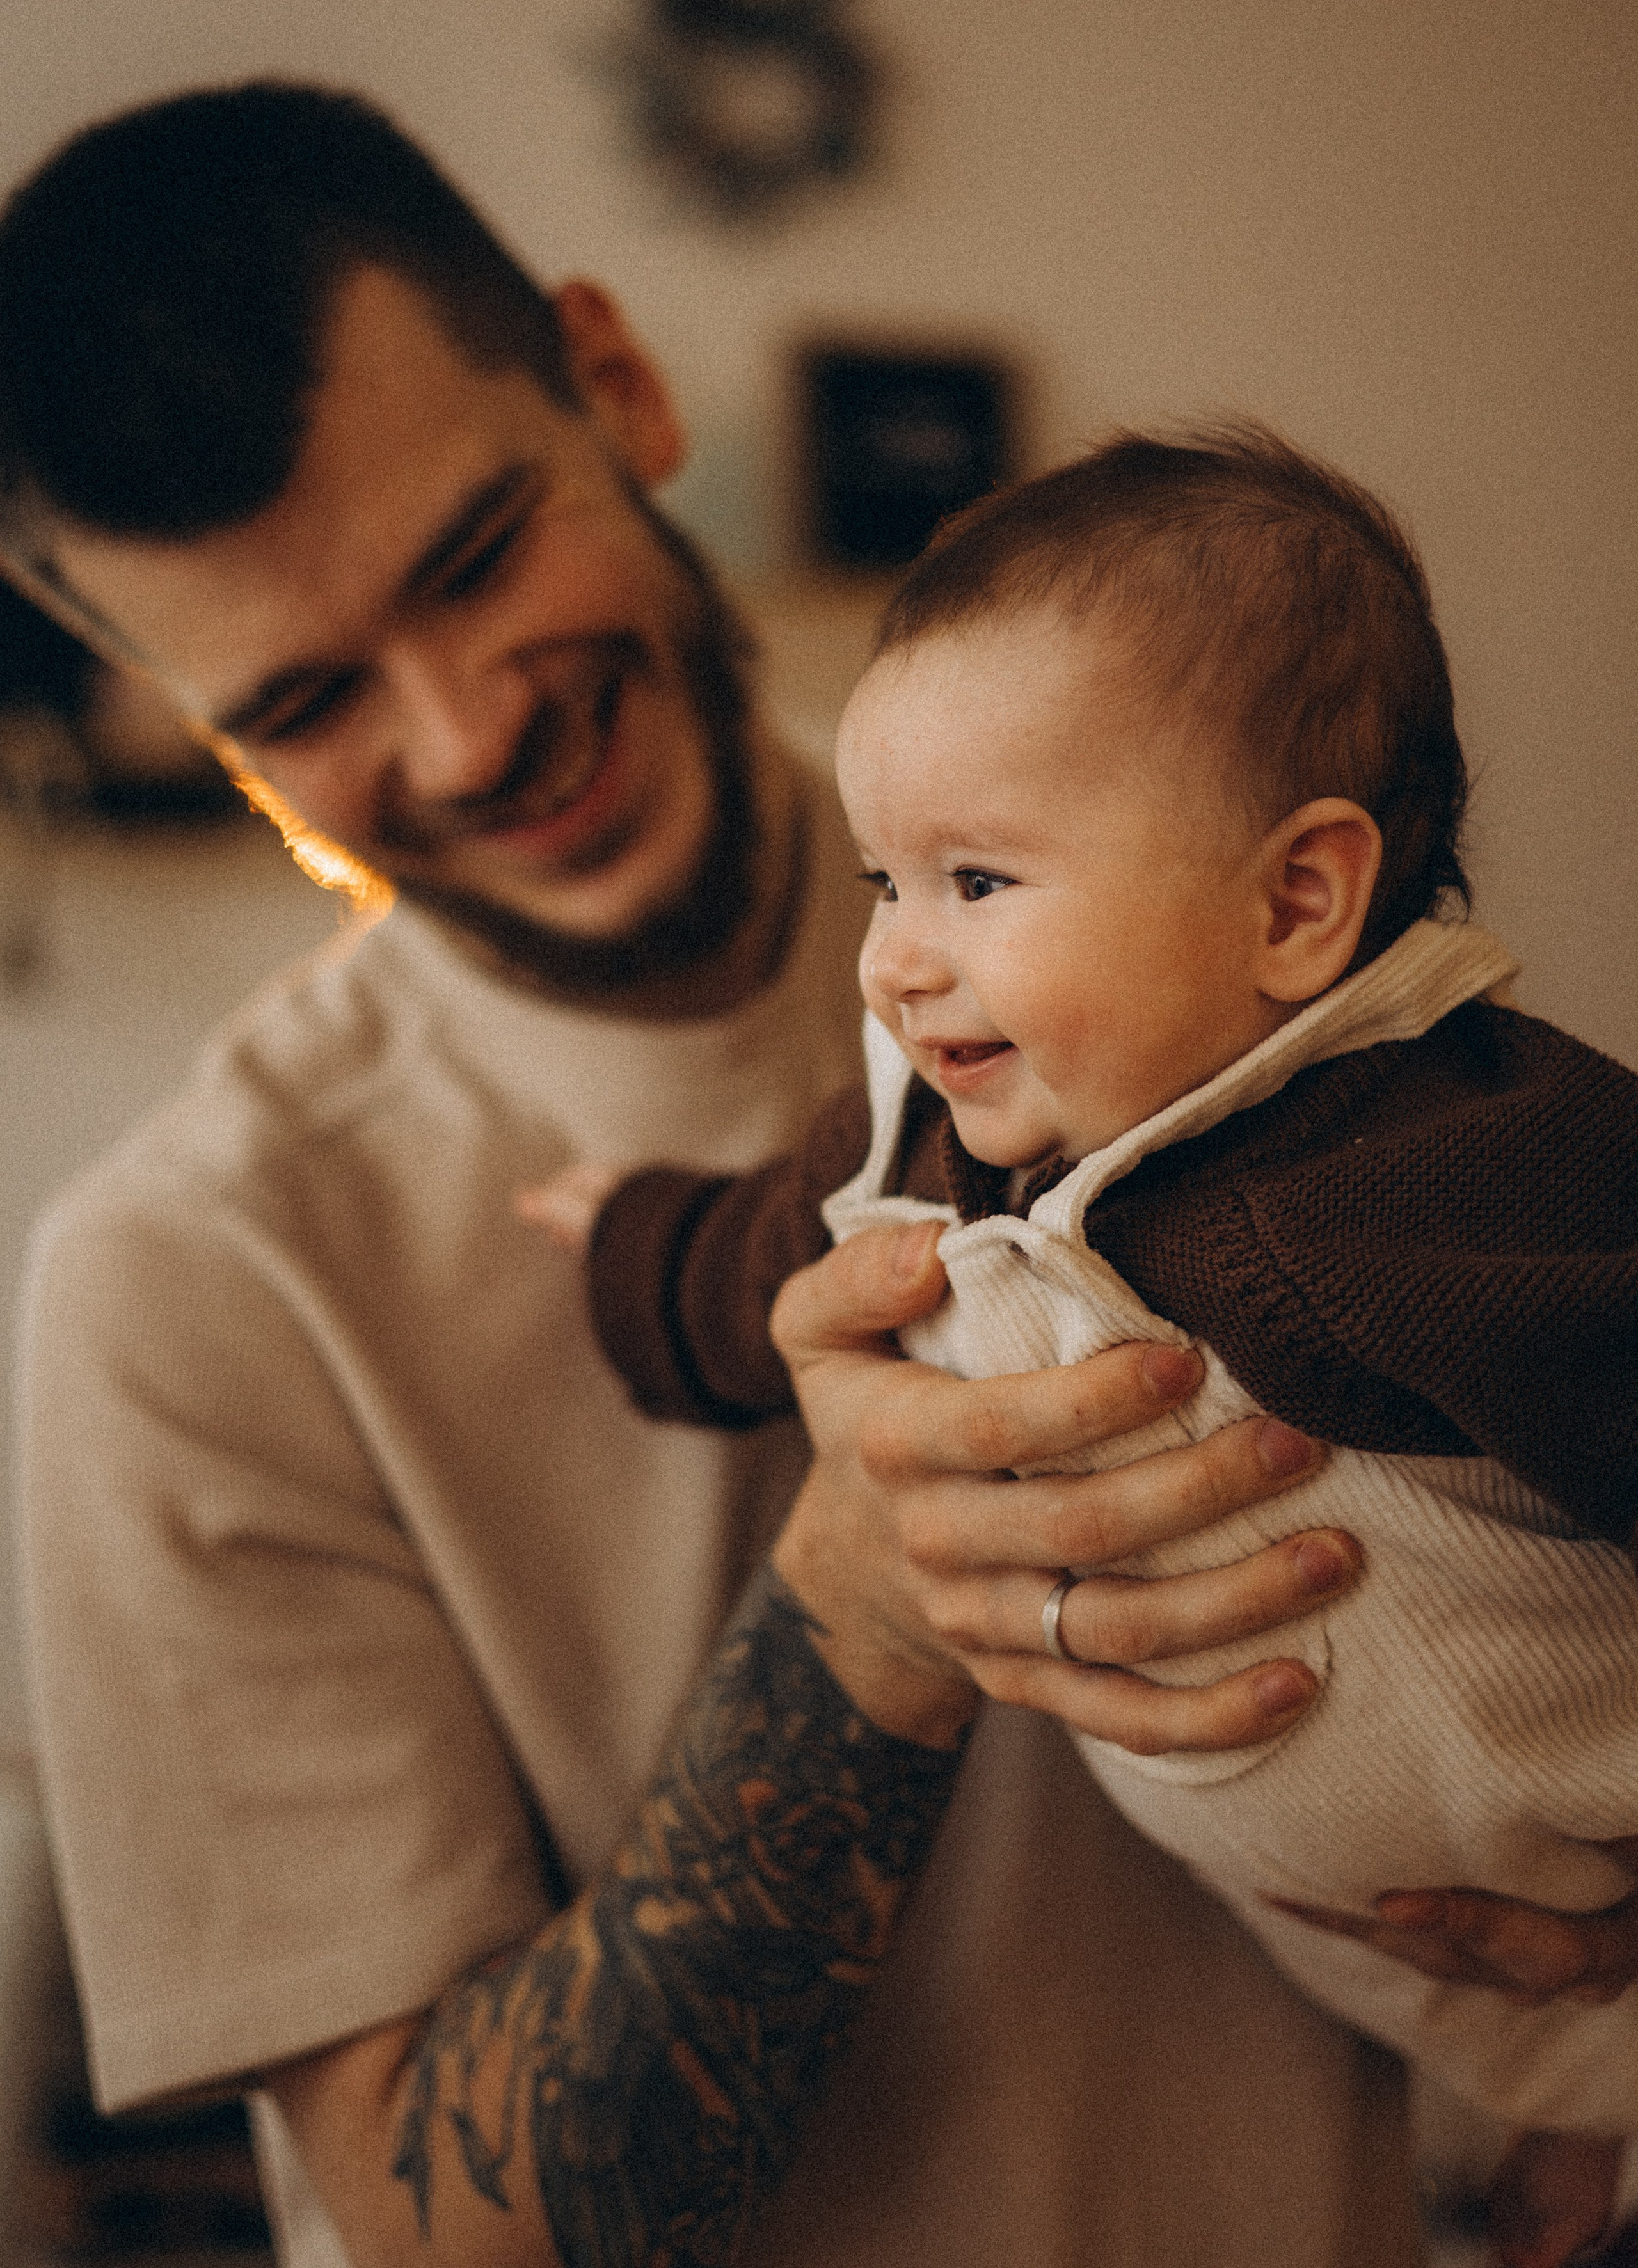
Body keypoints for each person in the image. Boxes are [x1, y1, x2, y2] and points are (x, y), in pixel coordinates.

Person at [0, 83, 1613, 2268]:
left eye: (476, 558)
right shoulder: (179, 1294)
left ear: (618, 383)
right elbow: (433, 2226)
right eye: (302, 701)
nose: (467, 736)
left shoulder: (1205, 946)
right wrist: (868, 1592)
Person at [536, 431, 1638, 2264]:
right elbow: (762, 1255)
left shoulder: (1447, 1166)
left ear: (1297, 906)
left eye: (976, 882)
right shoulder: (935, 1130)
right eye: (889, 879)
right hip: (1431, 1986)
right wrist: (628, 1250)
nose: (894, 957)